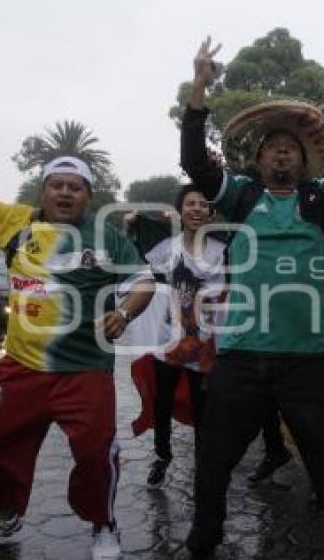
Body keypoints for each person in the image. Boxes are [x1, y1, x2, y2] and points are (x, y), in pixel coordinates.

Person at [0, 109, 155, 560]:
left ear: (88, 195)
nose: (65, 192)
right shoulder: (15, 223)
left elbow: (143, 280)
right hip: (21, 366)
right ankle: (3, 516)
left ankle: (103, 524)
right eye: (57, 184)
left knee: (94, 452)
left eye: (75, 186)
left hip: (85, 369)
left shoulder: (107, 237)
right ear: (43, 190)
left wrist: (123, 313)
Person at [180, 38, 324, 559]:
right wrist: (200, 84)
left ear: (303, 159)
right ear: (260, 159)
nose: (282, 152)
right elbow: (195, 161)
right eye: (272, 147)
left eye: (291, 147)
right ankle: (203, 544)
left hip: (306, 362)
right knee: (214, 463)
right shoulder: (240, 196)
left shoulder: (321, 199)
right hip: (241, 360)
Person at [128, 187, 226, 489]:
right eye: (190, 204)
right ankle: (162, 455)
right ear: (181, 211)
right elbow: (136, 269)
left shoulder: (223, 252)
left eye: (203, 204)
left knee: (203, 409)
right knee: (162, 403)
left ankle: (204, 466)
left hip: (204, 344)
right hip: (168, 342)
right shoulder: (165, 249)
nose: (197, 209)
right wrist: (130, 229)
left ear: (211, 213)